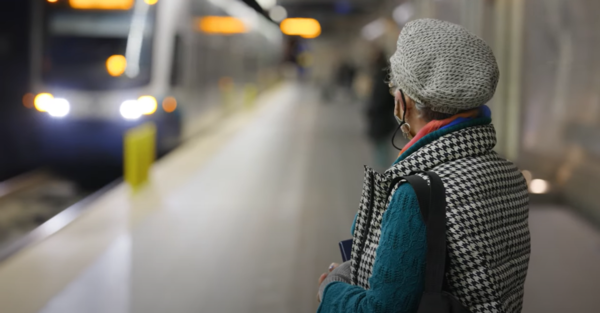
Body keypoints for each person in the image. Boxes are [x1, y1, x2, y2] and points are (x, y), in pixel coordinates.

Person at [316, 19, 530, 313]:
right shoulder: (508, 173)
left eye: (395, 92)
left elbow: (382, 310)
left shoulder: (416, 194)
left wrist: (330, 289)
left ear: (404, 103)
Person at [365, 49, 400, 171]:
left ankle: (383, 171)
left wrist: (371, 109)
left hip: (380, 118)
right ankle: (383, 169)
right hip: (383, 117)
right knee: (381, 146)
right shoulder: (385, 77)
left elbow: (380, 99)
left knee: (381, 147)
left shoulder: (380, 78)